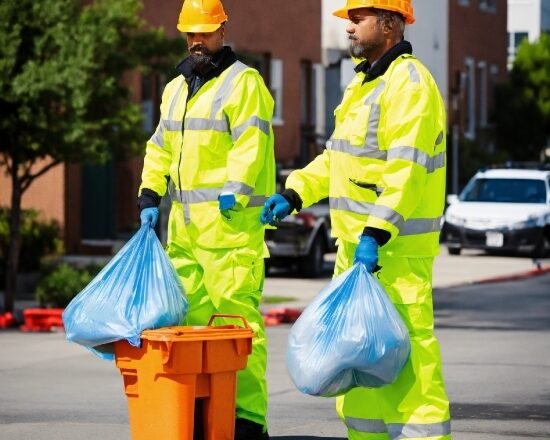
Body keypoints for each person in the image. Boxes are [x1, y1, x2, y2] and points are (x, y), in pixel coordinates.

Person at [260, 0, 451, 438]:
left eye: (357, 18)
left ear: (388, 23)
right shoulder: (362, 86)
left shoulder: (410, 85)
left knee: (410, 371)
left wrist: (375, 234)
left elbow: (407, 171)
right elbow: (337, 160)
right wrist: (294, 193)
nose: (348, 27)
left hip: (394, 257)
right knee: (359, 368)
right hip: (356, 256)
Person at [138, 0, 274, 438]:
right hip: (186, 234)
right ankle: (204, 414)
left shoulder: (243, 83)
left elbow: (250, 141)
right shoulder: (176, 88)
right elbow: (159, 146)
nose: (197, 41)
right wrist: (148, 192)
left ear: (221, 30)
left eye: (204, 32)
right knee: (191, 331)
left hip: (232, 233)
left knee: (237, 330)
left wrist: (235, 187)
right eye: (190, 33)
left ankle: (247, 419)